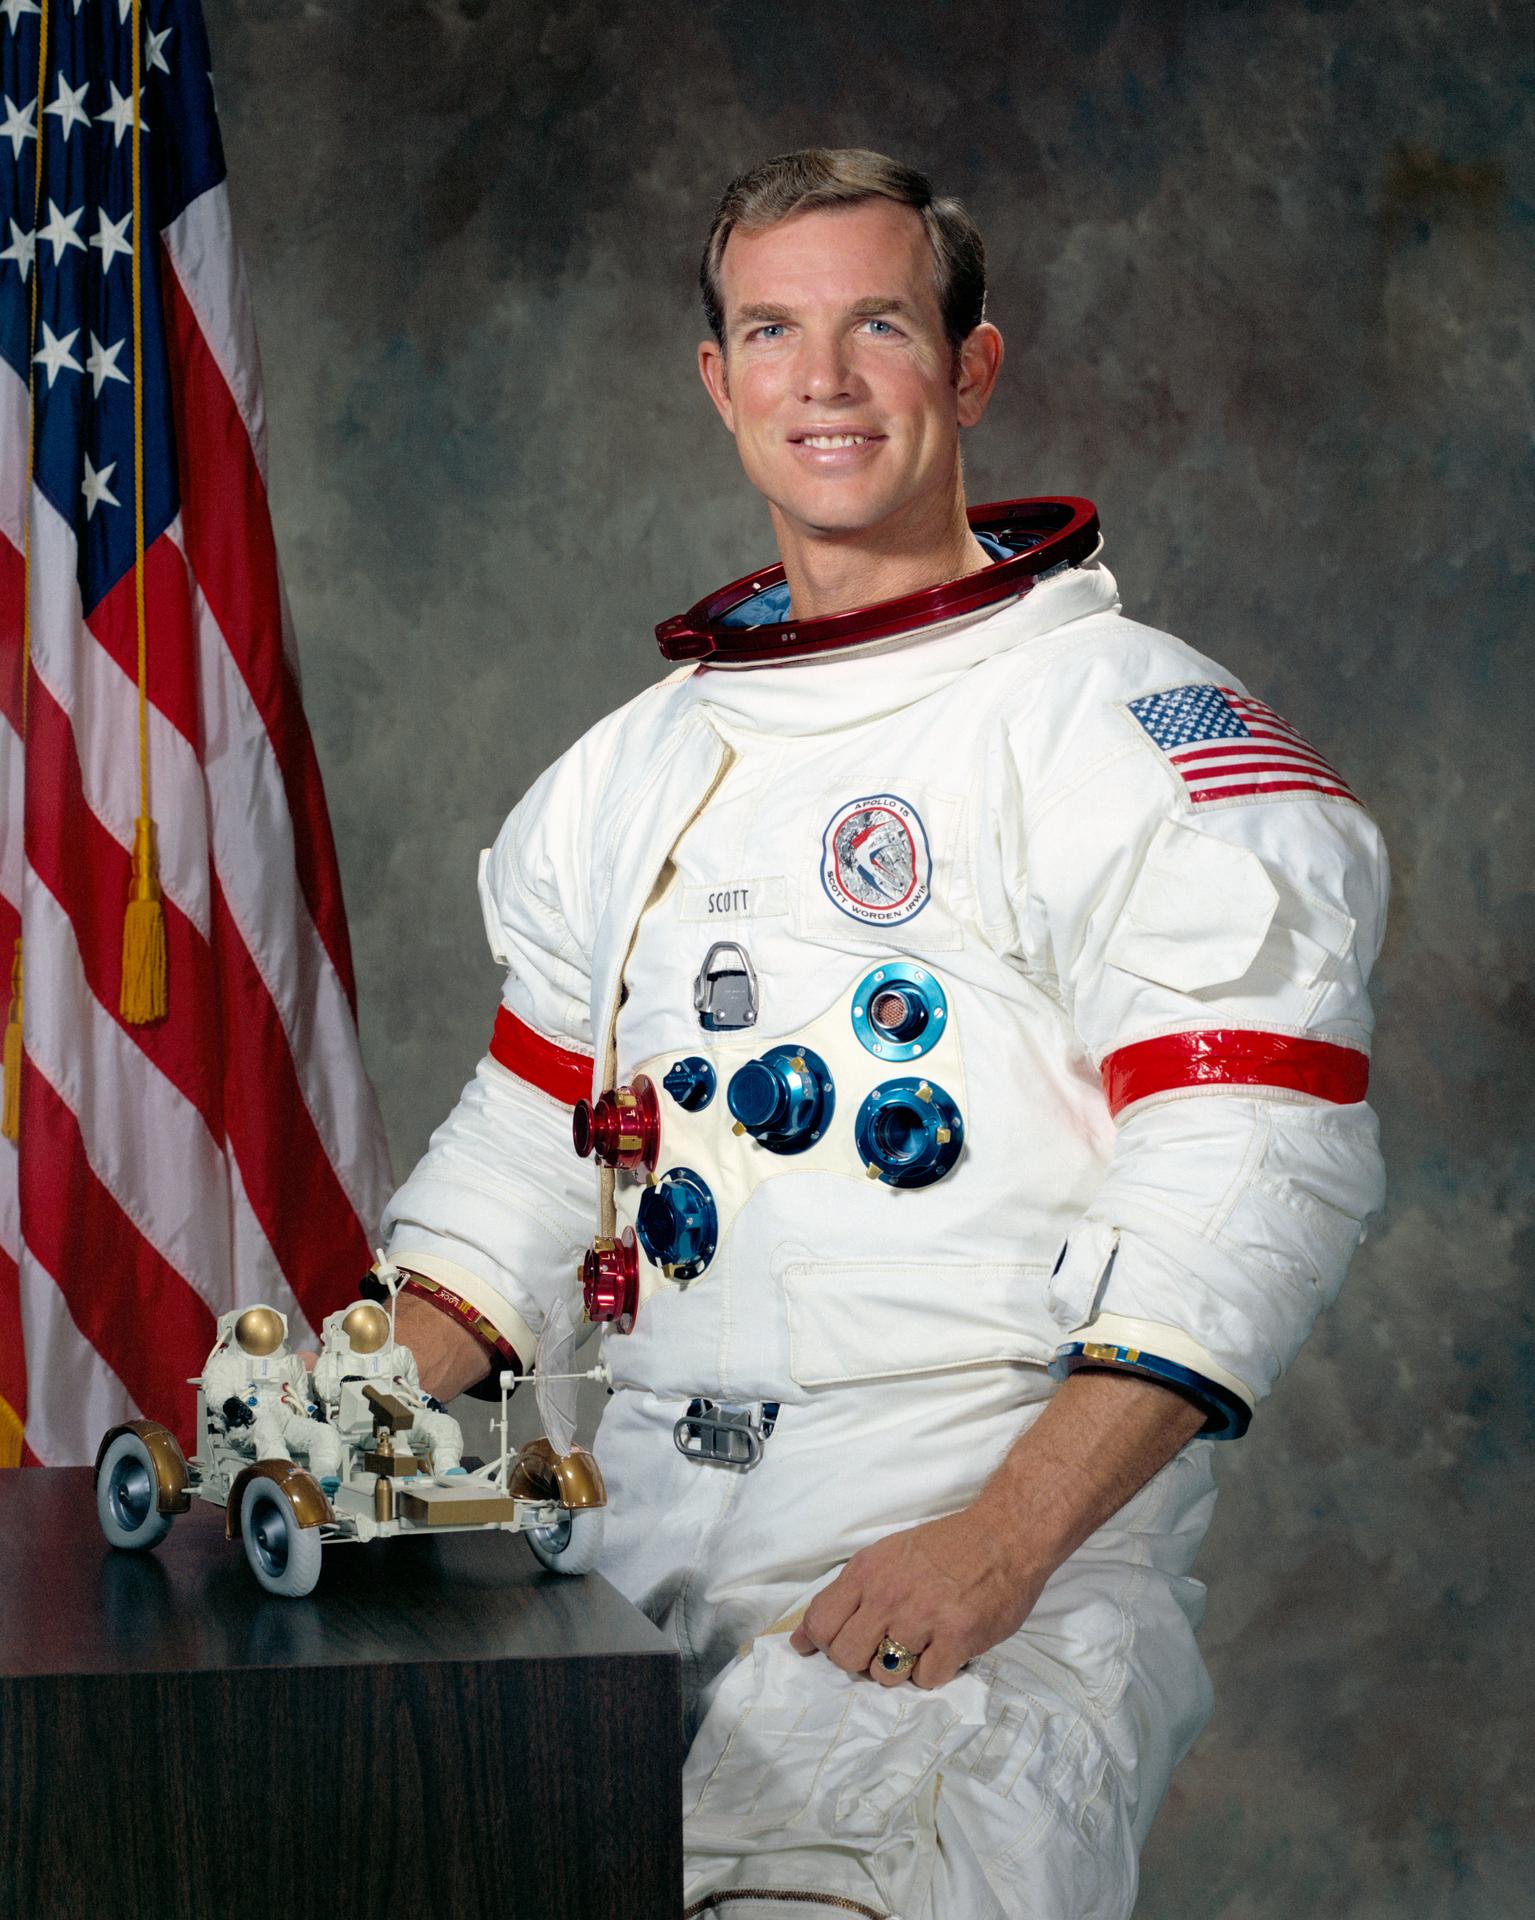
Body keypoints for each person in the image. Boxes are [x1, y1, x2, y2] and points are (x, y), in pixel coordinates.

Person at [376, 149, 1387, 1919]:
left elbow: (1255, 1170)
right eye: (772, 330)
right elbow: (534, 1161)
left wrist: (998, 1548)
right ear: (719, 381)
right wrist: (336, 1413)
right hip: (623, 1553)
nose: (822, 382)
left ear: (971, 368)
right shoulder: (628, 773)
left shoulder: (1121, 724)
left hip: (962, 1551)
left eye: (878, 328)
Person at [312, 1299, 466, 1476]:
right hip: (357, 1423)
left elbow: (412, 1389)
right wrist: (344, 1383)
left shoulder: (399, 1354)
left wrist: (427, 1400)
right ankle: (406, 1473)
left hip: (402, 1412)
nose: (369, 1329)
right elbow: (324, 1390)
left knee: (445, 1423)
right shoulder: (334, 1357)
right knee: (390, 1425)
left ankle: (448, 1470)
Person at [202, 1305, 343, 1495]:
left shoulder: (290, 1362)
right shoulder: (228, 1362)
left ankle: (324, 1478)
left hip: (285, 1419)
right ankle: (284, 1478)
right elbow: (216, 1391)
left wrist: (312, 1411)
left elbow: (299, 1397)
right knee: (267, 1426)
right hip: (247, 1426)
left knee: (324, 1432)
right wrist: (230, 1403)